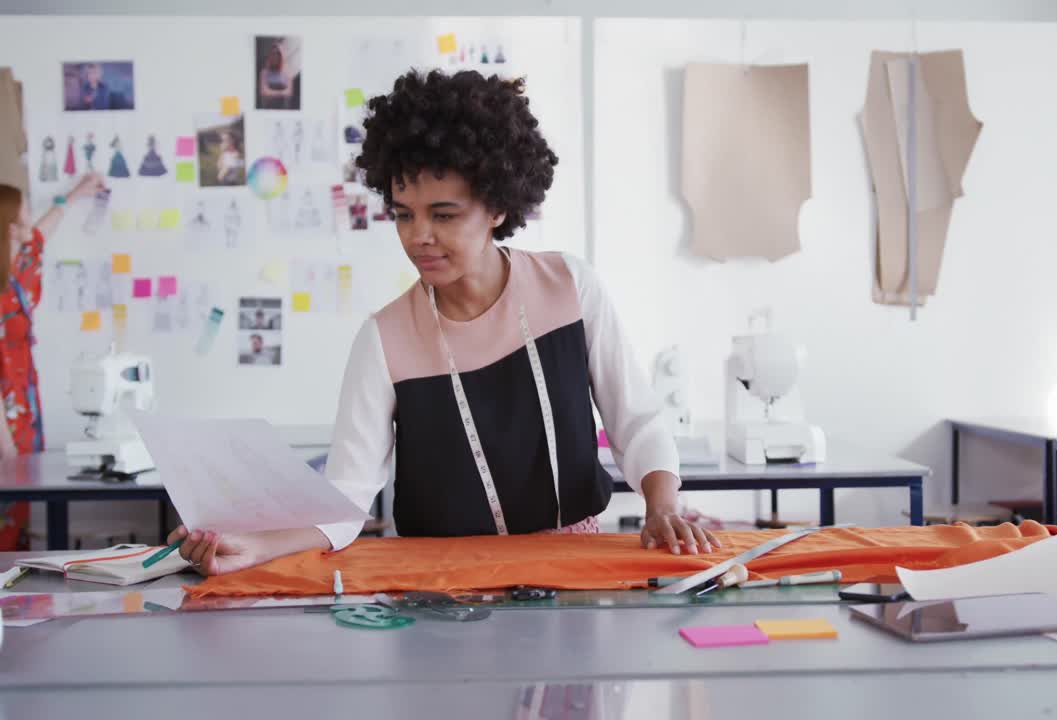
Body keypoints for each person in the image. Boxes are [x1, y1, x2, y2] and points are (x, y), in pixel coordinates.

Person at [170, 70, 719, 575]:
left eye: (444, 215)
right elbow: (346, 497)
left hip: (568, 566)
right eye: (404, 214)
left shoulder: (569, 288)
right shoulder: (384, 338)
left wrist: (662, 507)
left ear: (497, 207)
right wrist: (254, 546)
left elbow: (636, 421)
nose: (418, 237)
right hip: (438, 583)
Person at [0, 172, 105, 549]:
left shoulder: (19, 269)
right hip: (4, 420)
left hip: (24, 409)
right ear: (10, 228)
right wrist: (5, 440)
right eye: (24, 215)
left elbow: (44, 230)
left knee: (21, 509)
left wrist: (75, 195)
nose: (30, 221)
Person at [257, 41, 296, 110]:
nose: (275, 56)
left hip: (283, 109)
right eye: (273, 54)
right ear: (270, 56)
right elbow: (264, 92)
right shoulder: (264, 72)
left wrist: (272, 92)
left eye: (278, 54)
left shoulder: (287, 72)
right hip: (268, 109)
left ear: (281, 56)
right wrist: (281, 93)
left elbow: (289, 92)